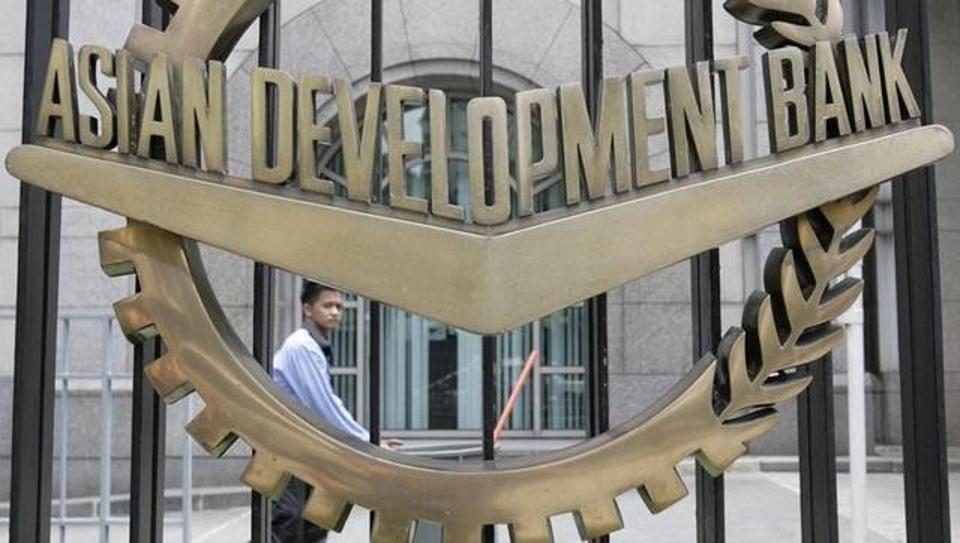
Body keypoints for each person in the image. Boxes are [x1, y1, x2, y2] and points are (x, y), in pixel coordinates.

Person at [269, 282, 368, 542]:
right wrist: (366, 441)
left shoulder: (315, 345)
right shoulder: (301, 346)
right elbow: (323, 404)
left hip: (306, 448)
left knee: (314, 522)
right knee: (290, 521)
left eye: (339, 306)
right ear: (307, 309)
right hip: (287, 448)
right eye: (328, 305)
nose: (335, 312)